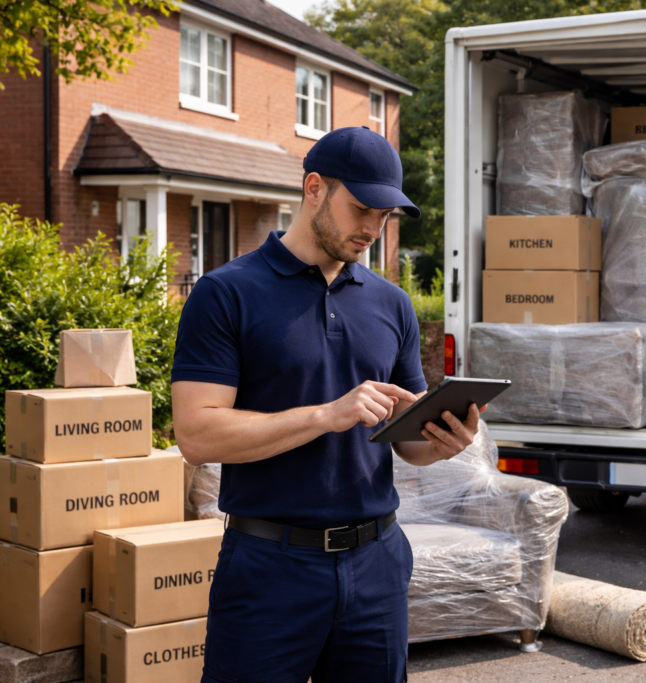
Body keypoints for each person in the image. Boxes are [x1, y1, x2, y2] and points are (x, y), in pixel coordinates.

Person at [170, 126, 480, 683]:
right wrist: (326, 415)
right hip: (270, 566)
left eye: (385, 215)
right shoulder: (226, 293)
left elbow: (406, 441)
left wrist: (442, 440)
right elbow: (197, 435)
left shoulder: (393, 304)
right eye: (362, 208)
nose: (373, 228)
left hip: (377, 561)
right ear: (314, 188)